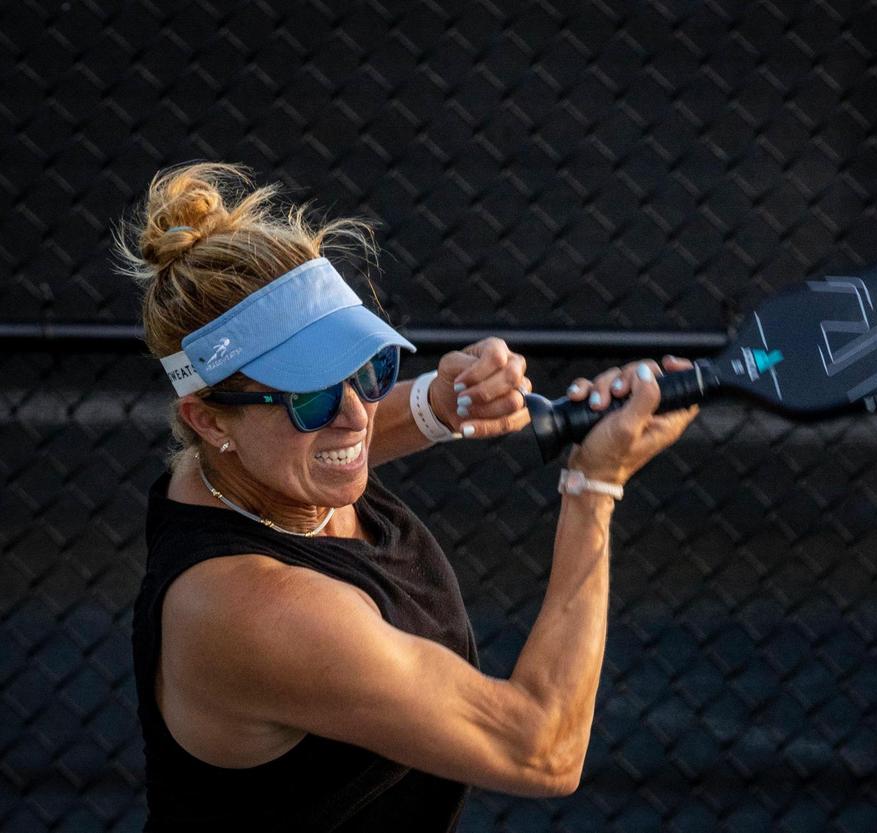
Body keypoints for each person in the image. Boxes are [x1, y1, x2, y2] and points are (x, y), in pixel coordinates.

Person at [119, 162, 698, 832]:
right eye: (307, 394)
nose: (356, 414)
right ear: (208, 421)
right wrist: (595, 484)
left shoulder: (233, 474)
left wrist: (444, 400)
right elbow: (541, 749)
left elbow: (337, 433)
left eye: (367, 368)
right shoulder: (263, 611)